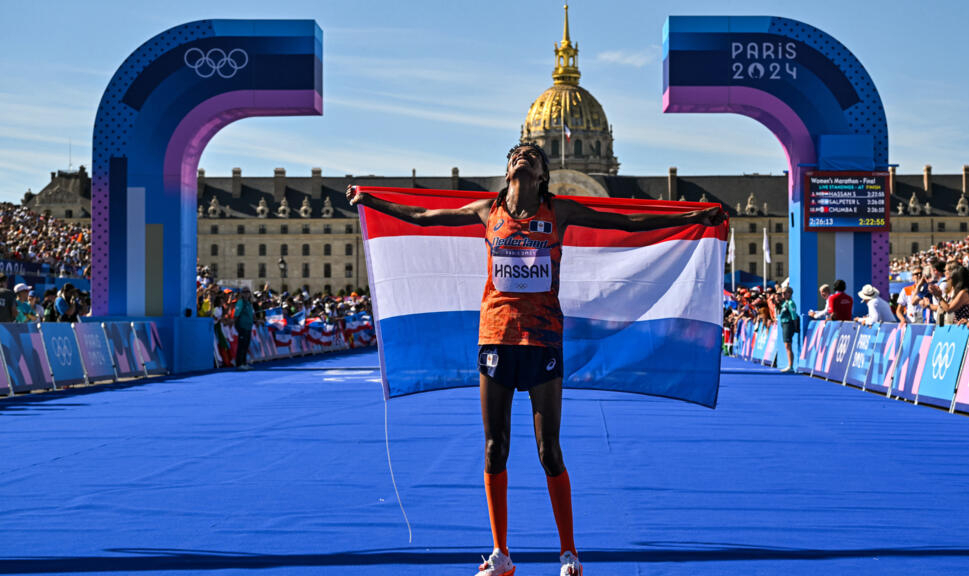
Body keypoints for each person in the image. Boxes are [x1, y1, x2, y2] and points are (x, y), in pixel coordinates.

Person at [346, 142, 725, 576]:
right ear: (508, 170)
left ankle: (569, 553)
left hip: (543, 338)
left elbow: (625, 223)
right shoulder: (486, 211)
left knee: (549, 450)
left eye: (533, 155)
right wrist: (372, 200)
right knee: (495, 447)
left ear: (543, 174)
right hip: (496, 337)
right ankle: (501, 554)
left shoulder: (558, 212)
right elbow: (421, 216)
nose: (523, 157)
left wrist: (692, 216)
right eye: (516, 154)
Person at [776, 286, 799, 372]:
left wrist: (795, 327)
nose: (783, 294)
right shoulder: (784, 303)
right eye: (782, 293)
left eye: (785, 293)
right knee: (787, 345)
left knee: (788, 345)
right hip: (784, 324)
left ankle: (790, 366)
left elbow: (794, 315)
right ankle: (789, 365)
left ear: (789, 293)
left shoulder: (790, 303)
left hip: (789, 324)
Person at [234, 287, 255, 370]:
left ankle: (244, 362)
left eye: (248, 292)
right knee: (241, 345)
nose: (246, 294)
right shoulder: (241, 302)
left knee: (246, 345)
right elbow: (236, 315)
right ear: (241, 293)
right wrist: (237, 326)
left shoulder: (249, 303)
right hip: (242, 326)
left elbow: (252, 315)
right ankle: (239, 364)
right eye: (244, 292)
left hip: (248, 326)